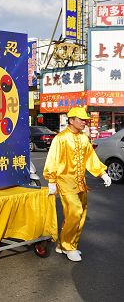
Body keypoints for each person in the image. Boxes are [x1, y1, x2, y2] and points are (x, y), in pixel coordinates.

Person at [43, 107, 111, 262]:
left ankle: (65, 244)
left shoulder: (83, 138)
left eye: (84, 119)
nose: (84, 122)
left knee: (81, 214)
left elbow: (90, 158)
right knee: (75, 213)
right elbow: (53, 159)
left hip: (80, 182)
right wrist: (52, 181)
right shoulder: (61, 138)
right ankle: (69, 247)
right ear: (71, 120)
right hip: (65, 181)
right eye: (80, 119)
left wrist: (102, 173)